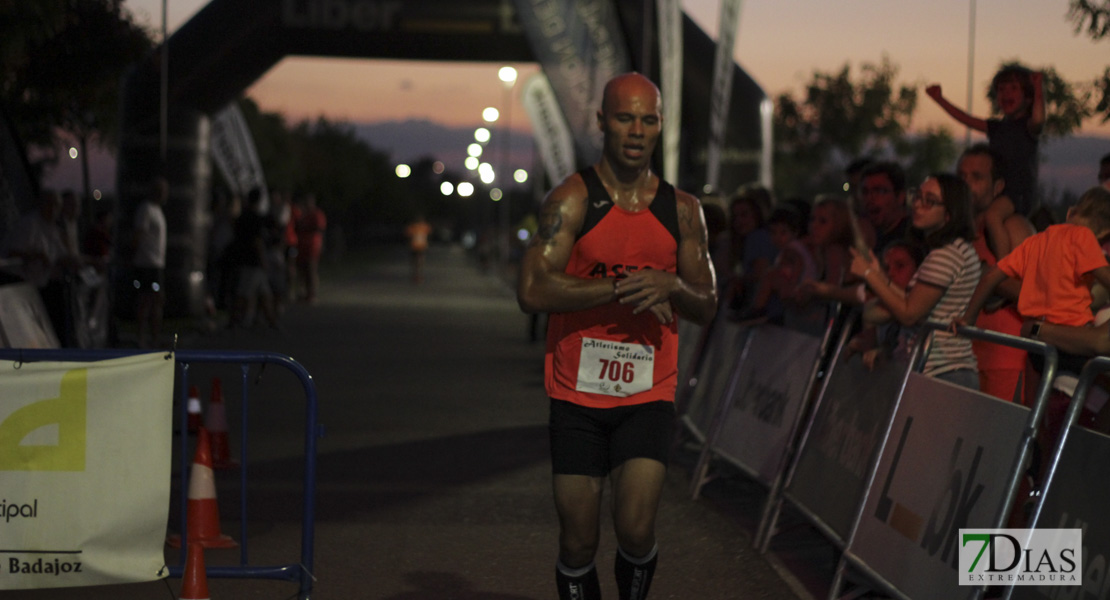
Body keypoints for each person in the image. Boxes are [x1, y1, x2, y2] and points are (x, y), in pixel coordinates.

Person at [516, 72, 716, 600]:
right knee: (579, 542)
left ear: (659, 126)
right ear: (602, 121)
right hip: (576, 396)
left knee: (636, 530)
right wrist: (618, 290)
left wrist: (671, 283)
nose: (636, 130)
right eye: (625, 117)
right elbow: (532, 289)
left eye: (648, 119)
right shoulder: (572, 200)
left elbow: (708, 303)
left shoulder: (684, 211)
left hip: (646, 393)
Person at [850, 174, 982, 389]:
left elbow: (909, 314)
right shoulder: (952, 249)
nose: (918, 205)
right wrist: (878, 275)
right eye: (918, 197)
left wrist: (868, 274)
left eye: (929, 201)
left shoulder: (946, 255)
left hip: (943, 372)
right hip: (939, 370)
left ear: (949, 213)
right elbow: (915, 302)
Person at [960, 186, 1110, 344]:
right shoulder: (1084, 237)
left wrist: (968, 318)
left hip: (1035, 339)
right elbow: (1105, 276)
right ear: (1104, 234)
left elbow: (990, 277)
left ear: (1070, 212)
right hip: (1071, 334)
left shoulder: (1035, 242)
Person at [957, 144, 1036, 402]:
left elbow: (1037, 298)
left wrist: (990, 280)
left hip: (1006, 361)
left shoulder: (1012, 226)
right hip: (963, 361)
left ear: (998, 186)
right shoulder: (959, 233)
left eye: (977, 177)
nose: (967, 184)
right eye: (962, 177)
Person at [927, 65, 1045, 216]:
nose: (1006, 93)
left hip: (1018, 194)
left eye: (1014, 88)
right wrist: (940, 99)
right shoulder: (996, 127)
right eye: (1001, 89)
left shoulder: (1027, 127)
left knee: (992, 217)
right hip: (995, 192)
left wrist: (1038, 87)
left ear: (1028, 98)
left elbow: (1039, 118)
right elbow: (966, 119)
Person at [131, 177, 168, 348]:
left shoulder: (158, 210)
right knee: (145, 301)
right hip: (146, 263)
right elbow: (139, 233)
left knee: (156, 301)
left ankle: (154, 337)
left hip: (156, 263)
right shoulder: (146, 209)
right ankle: (142, 337)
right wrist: (133, 255)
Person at [294, 192, 326, 303]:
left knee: (311, 269)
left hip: (312, 245)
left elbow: (319, 228)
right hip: (302, 246)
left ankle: (312, 294)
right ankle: (304, 293)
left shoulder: (317, 214)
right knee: (303, 270)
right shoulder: (303, 214)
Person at [405, 215, 433, 284]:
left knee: (418, 262)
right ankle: (417, 275)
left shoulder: (423, 227)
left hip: (419, 246)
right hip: (416, 246)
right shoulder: (414, 227)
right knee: (418, 262)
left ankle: (417, 276)